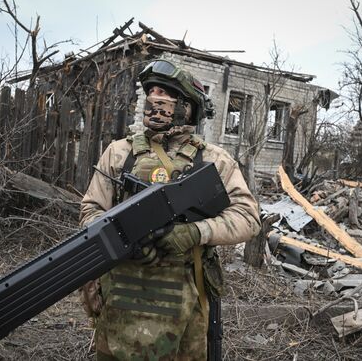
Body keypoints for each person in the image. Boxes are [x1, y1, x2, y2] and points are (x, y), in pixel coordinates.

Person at [79, 60, 261, 361]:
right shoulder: (119, 152)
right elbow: (91, 210)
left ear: (188, 105)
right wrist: (123, 241)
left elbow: (247, 217)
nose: (155, 99)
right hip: (124, 292)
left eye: (165, 94)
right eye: (151, 92)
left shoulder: (214, 159)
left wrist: (194, 232)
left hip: (185, 292)